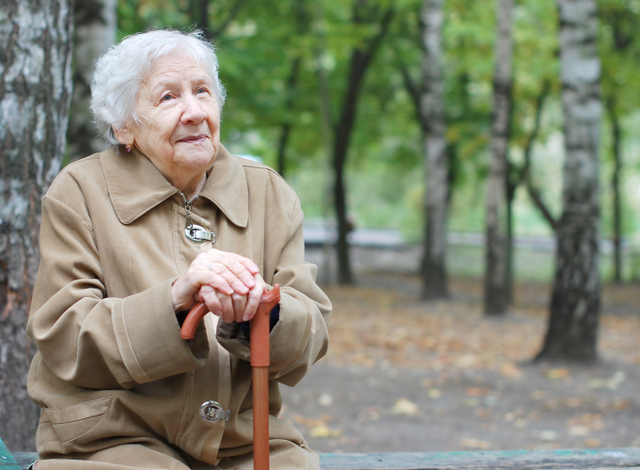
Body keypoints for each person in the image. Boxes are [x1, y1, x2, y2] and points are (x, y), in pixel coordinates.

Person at [26, 29, 331, 470]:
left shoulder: (268, 192)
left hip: (241, 440)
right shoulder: (80, 191)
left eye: (202, 91)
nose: (193, 112)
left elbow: (312, 332)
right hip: (111, 439)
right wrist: (174, 300)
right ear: (123, 125)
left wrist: (263, 310)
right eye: (168, 97)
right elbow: (64, 337)